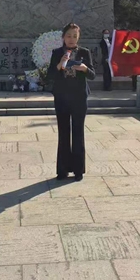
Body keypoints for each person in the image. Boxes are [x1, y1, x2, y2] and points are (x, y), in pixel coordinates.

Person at [47, 23, 96, 181]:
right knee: (63, 132)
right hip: (61, 97)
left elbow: (93, 75)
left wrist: (85, 69)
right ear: (63, 37)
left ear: (78, 37)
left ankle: (78, 170)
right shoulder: (57, 53)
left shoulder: (84, 52)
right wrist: (59, 65)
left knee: (78, 132)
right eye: (68, 35)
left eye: (75, 36)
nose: (71, 39)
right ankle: (62, 170)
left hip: (79, 97)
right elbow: (50, 76)